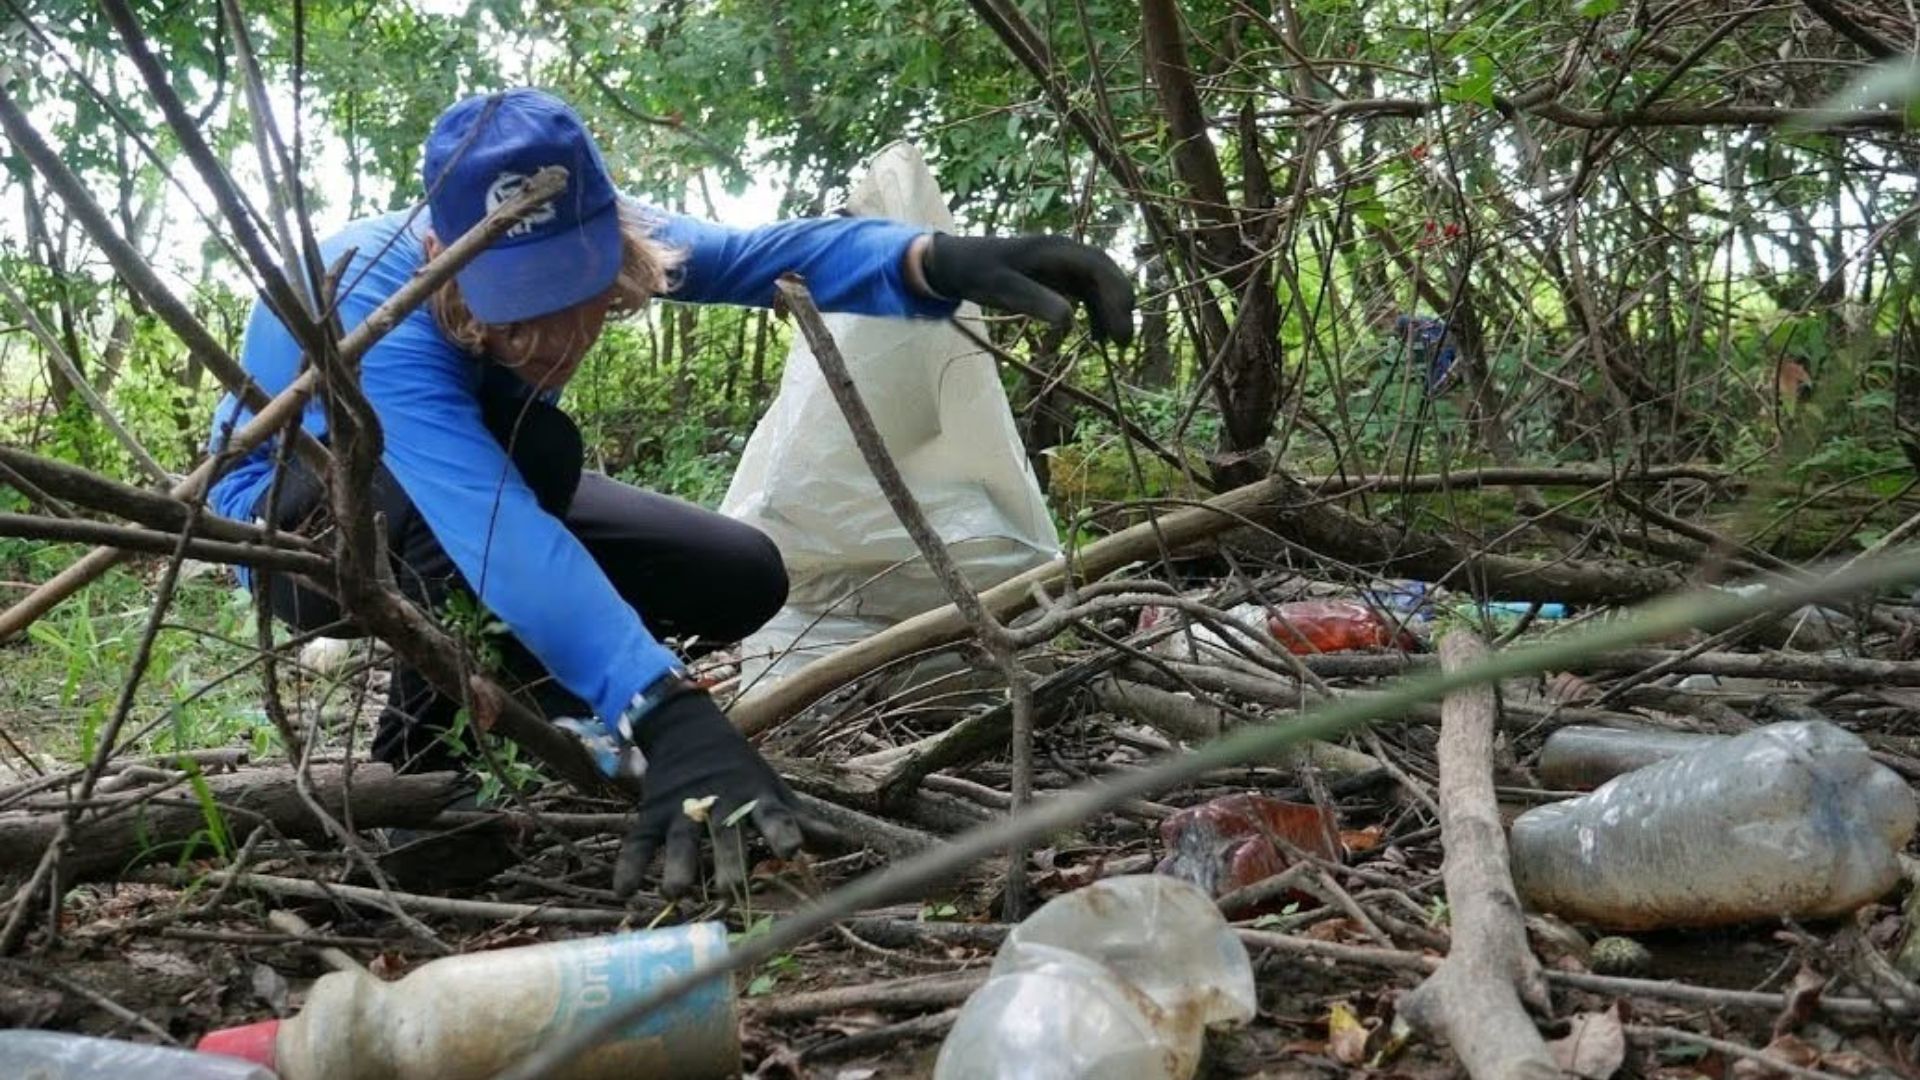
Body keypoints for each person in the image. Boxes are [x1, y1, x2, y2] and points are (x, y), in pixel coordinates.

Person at [207, 88, 1134, 899]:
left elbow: (766, 252)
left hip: (476, 494)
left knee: (736, 573)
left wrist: (936, 262)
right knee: (530, 468)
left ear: (607, 238)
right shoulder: (386, 311)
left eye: (568, 290)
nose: (546, 337)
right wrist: (663, 705)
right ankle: (421, 775)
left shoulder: (599, 222)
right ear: (440, 252)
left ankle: (548, 695)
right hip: (296, 528)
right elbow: (493, 534)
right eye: (516, 301)